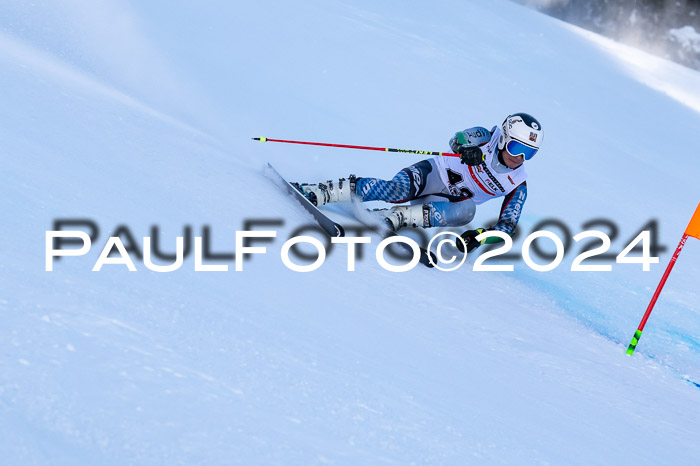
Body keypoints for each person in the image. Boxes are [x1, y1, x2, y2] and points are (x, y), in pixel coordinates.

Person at [295, 113, 543, 253]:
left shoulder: (517, 183)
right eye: (516, 147)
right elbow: (457, 139)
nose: (518, 158)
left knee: (468, 210)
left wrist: (480, 236)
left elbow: (506, 228)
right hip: (432, 173)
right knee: (397, 190)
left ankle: (394, 218)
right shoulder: (486, 136)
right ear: (504, 139)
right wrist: (465, 149)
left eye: (528, 153)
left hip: (444, 203)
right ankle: (323, 191)